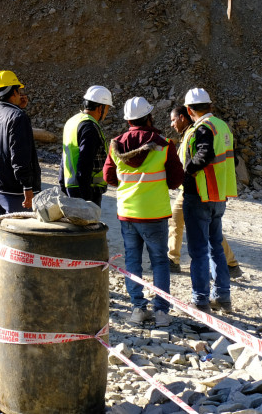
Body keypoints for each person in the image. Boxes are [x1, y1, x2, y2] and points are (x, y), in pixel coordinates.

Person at [103, 97, 183, 326]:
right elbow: (176, 180)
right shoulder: (164, 144)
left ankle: (138, 309)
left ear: (128, 120)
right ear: (149, 117)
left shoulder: (116, 145)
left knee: (132, 261)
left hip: (128, 212)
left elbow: (109, 177)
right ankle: (161, 312)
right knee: (159, 261)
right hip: (154, 213)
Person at [0, 70, 41, 308]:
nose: (22, 95)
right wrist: (28, 186)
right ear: (14, 91)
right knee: (19, 241)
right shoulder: (18, 118)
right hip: (14, 190)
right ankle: (17, 295)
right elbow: (20, 155)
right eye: (20, 91)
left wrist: (20, 109)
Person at [167, 106, 244, 278]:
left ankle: (230, 264)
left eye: (173, 120)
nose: (172, 124)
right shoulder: (211, 128)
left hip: (200, 189)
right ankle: (173, 259)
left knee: (209, 231)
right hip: (194, 188)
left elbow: (203, 155)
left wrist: (188, 171)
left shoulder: (199, 130)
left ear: (182, 116)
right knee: (176, 220)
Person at [182, 88, 238, 313]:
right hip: (218, 195)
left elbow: (204, 154)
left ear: (188, 110)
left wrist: (186, 171)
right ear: (210, 106)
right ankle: (223, 297)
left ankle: (201, 300)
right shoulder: (221, 126)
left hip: (200, 195)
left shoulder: (203, 128)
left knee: (198, 251)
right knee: (216, 247)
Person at [60, 85, 112, 206]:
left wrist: (62, 185)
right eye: (108, 108)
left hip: (71, 187)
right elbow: (85, 163)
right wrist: (87, 198)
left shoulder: (72, 122)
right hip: (87, 190)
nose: (107, 112)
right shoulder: (90, 127)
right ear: (100, 108)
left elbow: (65, 156)